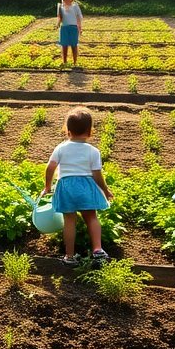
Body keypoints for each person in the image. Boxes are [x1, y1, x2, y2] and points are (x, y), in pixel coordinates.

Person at [42, 106, 113, 265]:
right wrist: (105, 190)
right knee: (91, 217)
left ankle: (69, 256)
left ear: (67, 130)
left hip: (66, 186)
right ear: (90, 131)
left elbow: (50, 167)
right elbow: (96, 174)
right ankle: (97, 249)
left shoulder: (60, 148)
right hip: (86, 186)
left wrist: (48, 186)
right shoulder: (93, 151)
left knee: (69, 221)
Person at [56, 0, 84, 66]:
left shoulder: (75, 6)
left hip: (73, 28)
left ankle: (75, 62)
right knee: (64, 45)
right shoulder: (60, 6)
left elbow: (78, 17)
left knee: (74, 45)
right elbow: (59, 17)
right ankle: (64, 61)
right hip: (64, 28)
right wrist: (57, 24)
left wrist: (80, 28)